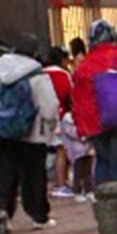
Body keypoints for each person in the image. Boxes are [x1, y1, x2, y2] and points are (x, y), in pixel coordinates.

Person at [0, 33, 60, 230]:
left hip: (2, 132)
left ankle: (2, 216)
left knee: (4, 176)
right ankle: (38, 216)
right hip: (32, 133)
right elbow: (49, 105)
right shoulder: (37, 74)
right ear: (33, 52)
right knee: (34, 175)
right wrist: (49, 129)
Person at [71, 20, 117, 185]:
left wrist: (81, 128)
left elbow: (79, 99)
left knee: (102, 160)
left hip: (95, 123)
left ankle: (103, 200)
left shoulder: (84, 64)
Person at [44, 47, 74, 199]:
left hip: (41, 117)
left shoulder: (41, 73)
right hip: (58, 116)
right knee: (61, 150)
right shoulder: (63, 75)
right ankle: (61, 183)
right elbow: (70, 95)